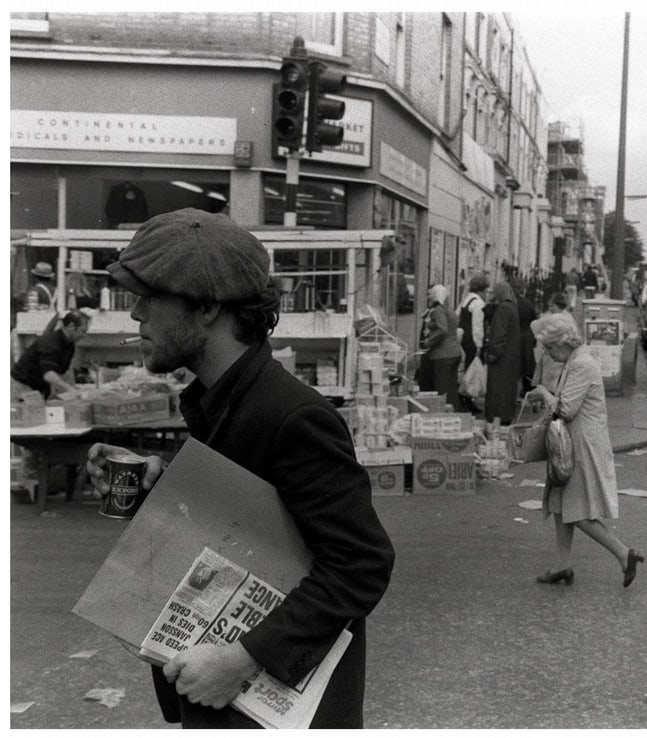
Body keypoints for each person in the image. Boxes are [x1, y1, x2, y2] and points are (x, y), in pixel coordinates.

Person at [85, 208, 395, 728]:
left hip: (275, 708)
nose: (135, 313)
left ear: (207, 307)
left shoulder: (292, 415)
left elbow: (360, 565)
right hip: (227, 699)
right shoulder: (219, 402)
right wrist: (156, 489)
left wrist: (243, 657)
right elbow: (245, 531)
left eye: (150, 296)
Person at [527, 312, 644, 588]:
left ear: (563, 342)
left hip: (581, 447)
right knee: (560, 502)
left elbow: (566, 409)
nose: (547, 353)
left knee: (577, 511)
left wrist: (544, 393)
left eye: (549, 347)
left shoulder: (581, 364)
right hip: (571, 444)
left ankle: (623, 553)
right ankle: (562, 565)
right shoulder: (574, 360)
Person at [10, 311, 89, 399]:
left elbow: (60, 374)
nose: (84, 335)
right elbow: (49, 374)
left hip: (38, 388)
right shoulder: (51, 342)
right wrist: (70, 390)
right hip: (21, 386)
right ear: (71, 326)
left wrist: (61, 392)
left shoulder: (70, 346)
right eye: (83, 331)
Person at [483, 281, 523, 425]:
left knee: (498, 391)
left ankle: (497, 421)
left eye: (494, 293)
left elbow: (499, 334)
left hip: (502, 359)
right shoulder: (512, 306)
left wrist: (493, 352)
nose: (492, 296)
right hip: (511, 357)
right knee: (507, 391)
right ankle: (504, 418)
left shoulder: (503, 308)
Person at [417, 284, 463, 410]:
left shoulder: (439, 310)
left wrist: (428, 342)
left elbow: (442, 330)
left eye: (430, 295)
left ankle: (445, 414)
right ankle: (455, 413)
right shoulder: (449, 309)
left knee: (442, 388)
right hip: (454, 353)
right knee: (451, 388)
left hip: (442, 354)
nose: (429, 297)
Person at [457, 275, 489, 412]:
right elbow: (478, 326)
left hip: (464, 339)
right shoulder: (478, 303)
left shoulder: (466, 300)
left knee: (465, 370)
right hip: (472, 342)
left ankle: (464, 398)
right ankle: (468, 398)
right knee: (472, 371)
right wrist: (479, 345)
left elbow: (457, 315)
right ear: (482, 290)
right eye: (486, 290)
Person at [532, 293, 570, 389]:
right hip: (559, 355)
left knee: (550, 383)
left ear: (558, 305)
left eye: (552, 306)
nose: (550, 309)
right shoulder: (566, 316)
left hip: (554, 355)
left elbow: (535, 327)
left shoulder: (556, 318)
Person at [514, 281, 538, 393]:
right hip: (527, 336)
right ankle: (527, 389)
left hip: (515, 337)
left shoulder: (511, 304)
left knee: (516, 366)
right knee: (527, 366)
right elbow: (535, 321)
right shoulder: (528, 304)